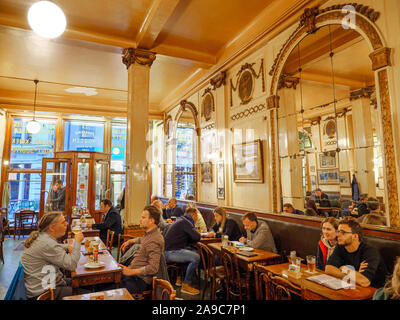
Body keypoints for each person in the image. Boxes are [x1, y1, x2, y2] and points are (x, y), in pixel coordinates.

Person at [21, 212, 84, 300]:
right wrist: (77, 242)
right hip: (44, 293)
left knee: (84, 283)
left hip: (46, 283)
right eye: (63, 222)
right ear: (52, 228)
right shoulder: (47, 243)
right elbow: (72, 265)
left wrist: (66, 246)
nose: (66, 224)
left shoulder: (42, 237)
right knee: (88, 295)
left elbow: (53, 247)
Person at [325, 218, 388, 288]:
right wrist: (355, 274)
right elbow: (328, 269)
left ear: (355, 236)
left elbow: (364, 281)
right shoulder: (341, 246)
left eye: (343, 232)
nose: (338, 235)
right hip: (353, 286)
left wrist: (345, 269)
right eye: (338, 231)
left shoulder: (370, 252)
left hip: (374, 292)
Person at [117, 206, 165, 294]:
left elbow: (153, 268)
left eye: (143, 217)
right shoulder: (150, 234)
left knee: (107, 288)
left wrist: (131, 271)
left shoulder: (155, 239)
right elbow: (144, 240)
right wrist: (132, 240)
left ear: (151, 220)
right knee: (105, 282)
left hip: (139, 281)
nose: (140, 220)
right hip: (133, 276)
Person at [163, 207, 201, 295]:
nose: (196, 219)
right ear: (193, 215)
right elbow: (197, 237)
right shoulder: (186, 222)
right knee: (196, 257)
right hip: (170, 252)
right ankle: (186, 284)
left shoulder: (181, 220)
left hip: (167, 250)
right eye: (196, 217)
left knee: (192, 251)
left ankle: (179, 278)